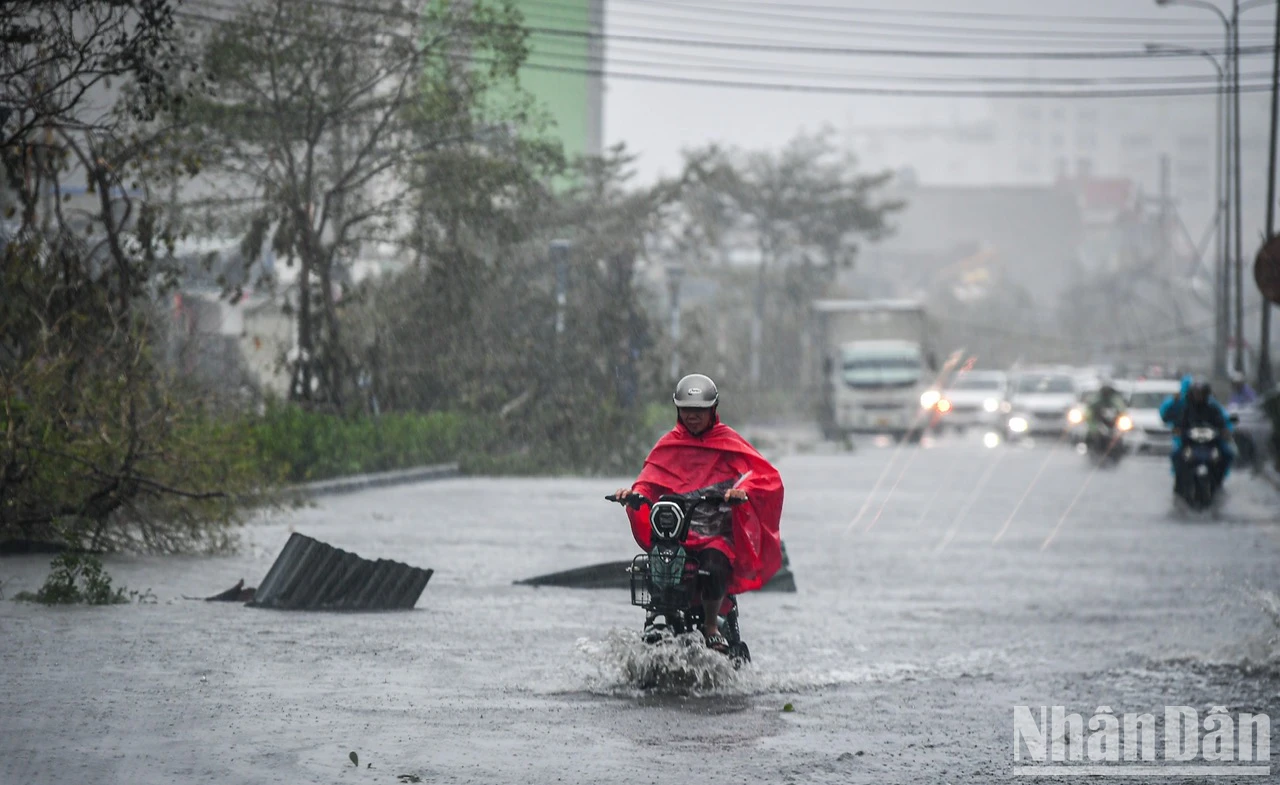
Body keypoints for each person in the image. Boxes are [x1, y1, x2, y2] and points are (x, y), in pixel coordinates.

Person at [612, 374, 784, 653]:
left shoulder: (729, 443)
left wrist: (743, 492)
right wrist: (632, 495)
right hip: (678, 535)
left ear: (712, 410)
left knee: (714, 565)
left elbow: (764, 477)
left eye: (699, 411)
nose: (692, 416)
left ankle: (711, 626)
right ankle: (658, 618)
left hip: (716, 535)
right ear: (677, 410)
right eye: (686, 410)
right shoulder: (668, 445)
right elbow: (647, 481)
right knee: (657, 564)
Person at [1172, 379, 1235, 493]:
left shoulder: (1213, 408)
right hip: (1191, 443)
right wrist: (1179, 430)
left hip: (1210, 444)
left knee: (1227, 454)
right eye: (1196, 393)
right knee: (1176, 455)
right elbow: (1179, 423)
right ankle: (1179, 483)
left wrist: (1224, 431)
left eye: (1201, 393)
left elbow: (1221, 422)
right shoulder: (1187, 409)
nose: (1198, 396)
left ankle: (1219, 480)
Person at [1084, 381, 1128, 451]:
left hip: (1112, 423)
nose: (1107, 393)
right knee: (1091, 434)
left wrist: (1123, 415)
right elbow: (1090, 408)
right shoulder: (1097, 399)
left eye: (1108, 392)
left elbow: (1121, 408)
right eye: (1105, 391)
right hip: (1098, 422)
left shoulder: (1115, 399)